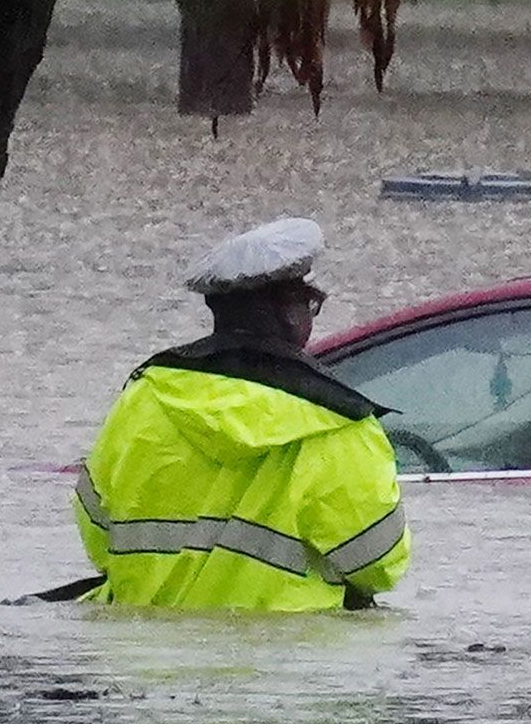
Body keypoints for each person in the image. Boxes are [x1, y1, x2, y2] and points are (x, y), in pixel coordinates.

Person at [69, 218, 410, 610]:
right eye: (309, 302)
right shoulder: (339, 424)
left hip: (145, 664)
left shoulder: (143, 398)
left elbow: (96, 537)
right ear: (290, 315)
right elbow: (380, 565)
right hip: (286, 662)